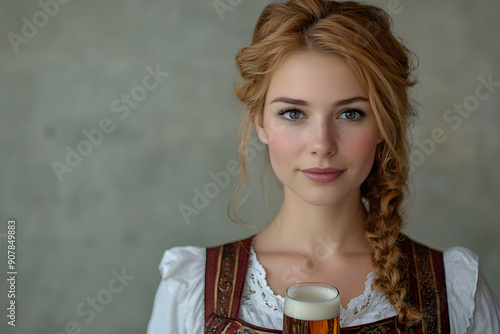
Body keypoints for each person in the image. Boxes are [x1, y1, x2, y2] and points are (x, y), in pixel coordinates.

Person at [147, 0, 500, 333]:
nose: (322, 144)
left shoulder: (456, 287)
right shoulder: (191, 287)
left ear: (383, 125)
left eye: (350, 114)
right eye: (293, 113)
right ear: (261, 123)